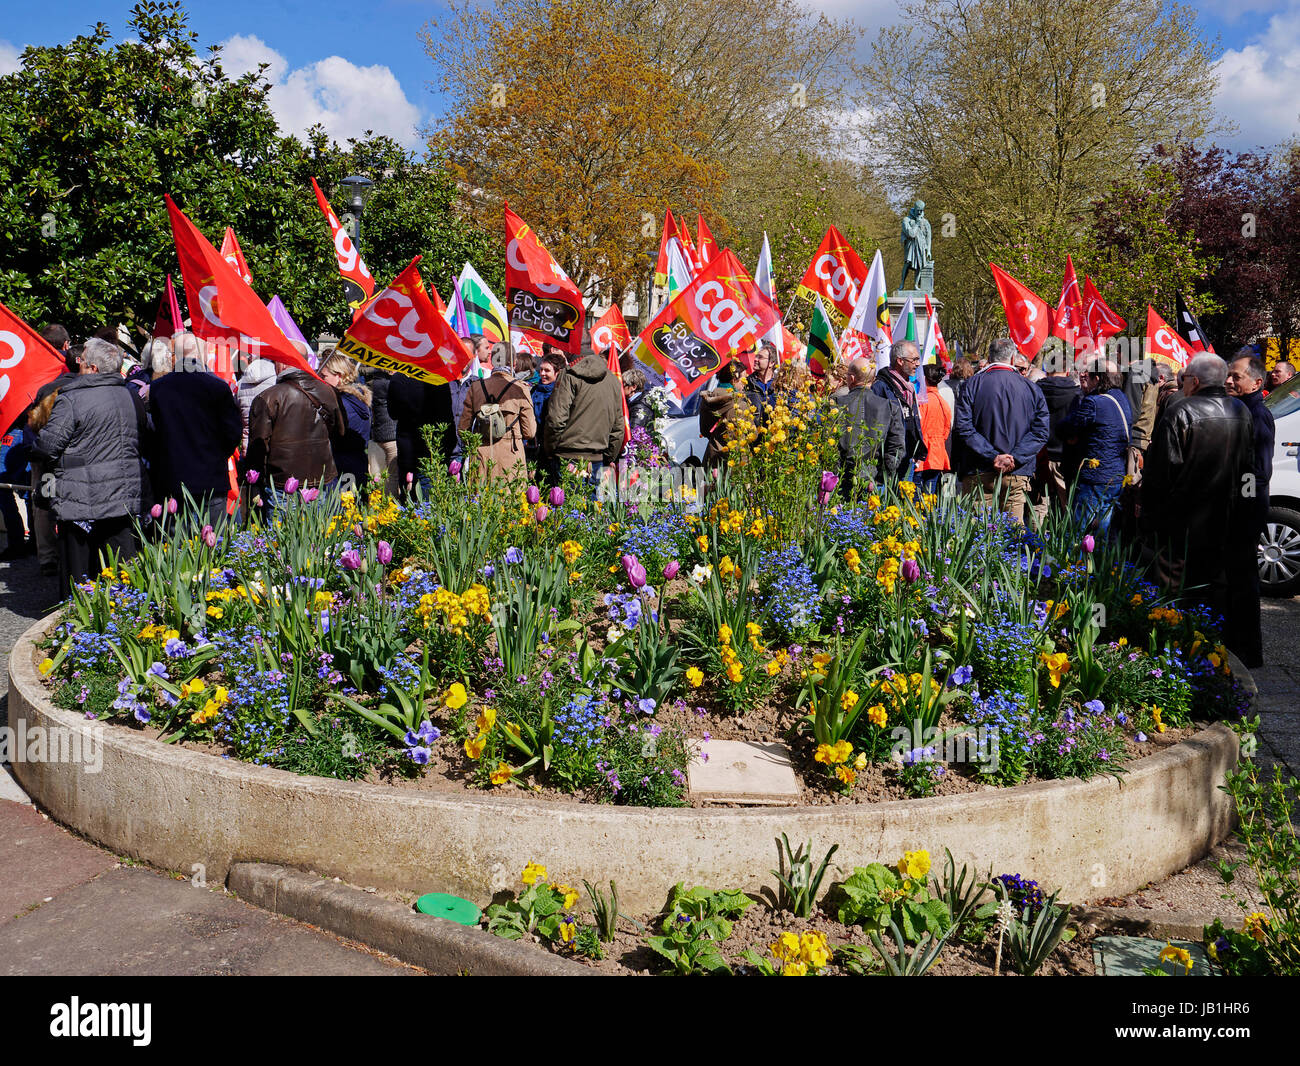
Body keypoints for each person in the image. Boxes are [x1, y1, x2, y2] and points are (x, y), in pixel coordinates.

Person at [1141, 353, 1254, 628]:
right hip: (1221, 521)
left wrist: (1149, 519)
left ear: (1194, 380)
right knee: (1210, 592)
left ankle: (1172, 650)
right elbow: (1247, 470)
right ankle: (1208, 651)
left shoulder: (1180, 411)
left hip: (1180, 526)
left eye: (1186, 379)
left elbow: (1160, 475)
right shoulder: (1242, 411)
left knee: (1171, 599)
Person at [30, 338, 148, 589]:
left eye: (82, 359)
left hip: (80, 502)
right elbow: (145, 436)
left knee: (79, 577)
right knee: (122, 573)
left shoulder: (72, 399)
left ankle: (76, 625)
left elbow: (48, 446)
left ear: (93, 368)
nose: (78, 363)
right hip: (123, 499)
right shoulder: (131, 397)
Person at [147, 336, 243, 528]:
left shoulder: (159, 388)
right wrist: (216, 455)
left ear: (175, 356)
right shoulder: (217, 386)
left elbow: (155, 430)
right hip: (211, 474)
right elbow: (233, 432)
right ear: (202, 355)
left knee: (179, 545)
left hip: (175, 475)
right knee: (215, 541)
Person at [952, 338, 1050, 525]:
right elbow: (1041, 432)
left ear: (989, 357)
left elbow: (964, 427)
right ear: (1013, 359)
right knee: (1013, 534)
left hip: (979, 469)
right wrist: (1014, 457)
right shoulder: (1031, 388)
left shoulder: (971, 385)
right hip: (1016, 472)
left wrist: (993, 456)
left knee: (978, 534)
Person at [1224, 351, 1274, 667]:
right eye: (1228, 375)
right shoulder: (1241, 409)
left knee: (1243, 581)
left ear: (1256, 382)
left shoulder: (1258, 415)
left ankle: (1247, 652)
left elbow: (1256, 471)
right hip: (1240, 507)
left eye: (1236, 376)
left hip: (1246, 509)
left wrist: (1239, 501)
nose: (1229, 380)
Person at [246, 362, 346, 501]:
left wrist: (257, 480)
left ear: (282, 364)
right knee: (316, 522)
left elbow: (258, 447)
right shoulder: (328, 391)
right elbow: (340, 432)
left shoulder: (268, 397)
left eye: (276, 362)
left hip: (282, 481)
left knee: (282, 522)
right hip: (319, 478)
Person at [1060, 358, 1131, 540]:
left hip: (1095, 477)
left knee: (1078, 530)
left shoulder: (1094, 402)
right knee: (1105, 532)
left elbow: (1067, 427)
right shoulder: (1122, 398)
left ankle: (1074, 566)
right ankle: (1102, 566)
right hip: (1116, 476)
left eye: (1089, 377)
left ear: (1097, 379)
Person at [544, 343, 625, 486]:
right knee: (592, 507)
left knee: (566, 506)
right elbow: (618, 427)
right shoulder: (613, 380)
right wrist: (607, 457)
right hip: (596, 458)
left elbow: (556, 419)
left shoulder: (569, 375)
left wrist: (550, 449)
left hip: (567, 456)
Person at [459, 343, 536, 482]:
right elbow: (529, 432)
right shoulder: (520, 388)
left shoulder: (476, 387)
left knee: (481, 499)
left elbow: (463, 429)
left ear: (491, 360)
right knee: (510, 500)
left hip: (481, 454)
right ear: (514, 362)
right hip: (511, 456)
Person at [835, 357, 904, 497]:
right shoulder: (890, 407)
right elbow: (896, 449)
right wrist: (881, 478)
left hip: (842, 480)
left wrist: (833, 476)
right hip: (872, 480)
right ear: (873, 379)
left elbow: (829, 445)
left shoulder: (836, 404)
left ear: (852, 378)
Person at [388, 371, 456, 498]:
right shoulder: (438, 378)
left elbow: (393, 413)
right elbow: (447, 416)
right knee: (429, 498)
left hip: (407, 445)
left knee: (408, 496)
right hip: (432, 447)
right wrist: (449, 445)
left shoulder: (398, 378)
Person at [1032, 345, 1080, 523]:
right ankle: (1068, 544)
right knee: (1067, 504)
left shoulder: (1034, 391)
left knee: (1039, 504)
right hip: (1065, 456)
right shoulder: (1077, 394)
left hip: (1039, 455)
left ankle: (1036, 544)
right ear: (1068, 371)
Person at [871, 340, 926, 480]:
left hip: (907, 460)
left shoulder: (909, 388)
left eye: (918, 360)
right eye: (914, 360)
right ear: (900, 361)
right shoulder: (880, 387)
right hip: (888, 463)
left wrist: (918, 451)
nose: (918, 364)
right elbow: (876, 427)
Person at [319, 350, 373, 488]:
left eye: (324, 376)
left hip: (343, 464)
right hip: (354, 461)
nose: (320, 379)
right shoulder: (355, 398)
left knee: (345, 507)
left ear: (338, 376)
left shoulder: (343, 403)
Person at [915, 362, 952, 493]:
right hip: (938, 454)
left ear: (924, 378)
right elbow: (946, 430)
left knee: (915, 501)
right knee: (929, 500)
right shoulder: (942, 401)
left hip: (922, 455)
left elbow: (918, 429)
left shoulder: (922, 401)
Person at [366, 368, 399, 495]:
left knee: (382, 474)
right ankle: (390, 506)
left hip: (382, 433)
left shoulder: (378, 381)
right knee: (393, 475)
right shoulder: (386, 383)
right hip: (391, 434)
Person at [744, 343, 778, 418]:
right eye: (756, 356)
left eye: (760, 357)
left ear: (771, 363)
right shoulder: (747, 382)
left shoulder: (780, 383)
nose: (755, 359)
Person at [624, 367, 652, 432]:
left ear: (633, 387)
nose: (620, 387)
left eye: (623, 384)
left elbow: (633, 433)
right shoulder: (632, 401)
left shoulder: (640, 407)